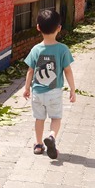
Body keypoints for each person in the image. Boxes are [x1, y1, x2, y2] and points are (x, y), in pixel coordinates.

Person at [23, 9, 76, 159]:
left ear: (38, 27)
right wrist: (72, 89)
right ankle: (51, 137)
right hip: (54, 92)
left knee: (39, 119)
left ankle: (39, 144)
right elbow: (68, 71)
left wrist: (27, 88)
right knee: (56, 118)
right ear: (59, 28)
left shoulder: (35, 50)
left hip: (37, 93)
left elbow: (30, 71)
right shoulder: (63, 49)